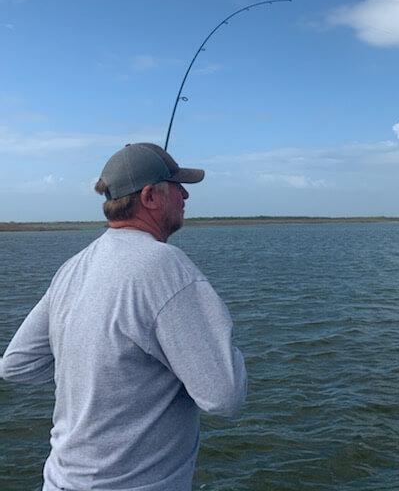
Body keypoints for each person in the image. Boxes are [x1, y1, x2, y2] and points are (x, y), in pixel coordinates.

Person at [1, 142, 247, 491]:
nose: (186, 197)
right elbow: (224, 395)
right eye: (177, 187)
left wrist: (103, 377)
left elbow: (17, 363)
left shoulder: (73, 267)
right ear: (149, 196)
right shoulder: (165, 266)